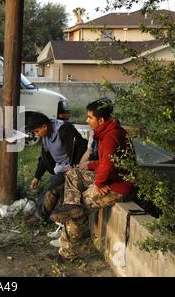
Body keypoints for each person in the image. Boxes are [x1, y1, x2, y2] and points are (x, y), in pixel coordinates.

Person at [50, 98, 134, 259]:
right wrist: (88, 165)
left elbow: (108, 165)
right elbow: (105, 162)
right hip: (111, 178)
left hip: (117, 186)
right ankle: (70, 205)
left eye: (90, 117)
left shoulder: (111, 136)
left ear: (101, 120)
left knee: (78, 208)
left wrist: (99, 182)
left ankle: (66, 254)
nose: (87, 120)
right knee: (73, 173)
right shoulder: (108, 132)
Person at [26, 112, 87, 223]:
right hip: (60, 168)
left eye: (37, 131)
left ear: (45, 126)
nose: (37, 134)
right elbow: (44, 158)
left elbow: (81, 148)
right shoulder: (45, 136)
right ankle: (38, 211)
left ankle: (40, 216)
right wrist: (37, 177)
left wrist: (74, 167)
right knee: (49, 186)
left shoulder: (64, 129)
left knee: (52, 187)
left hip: (72, 167)